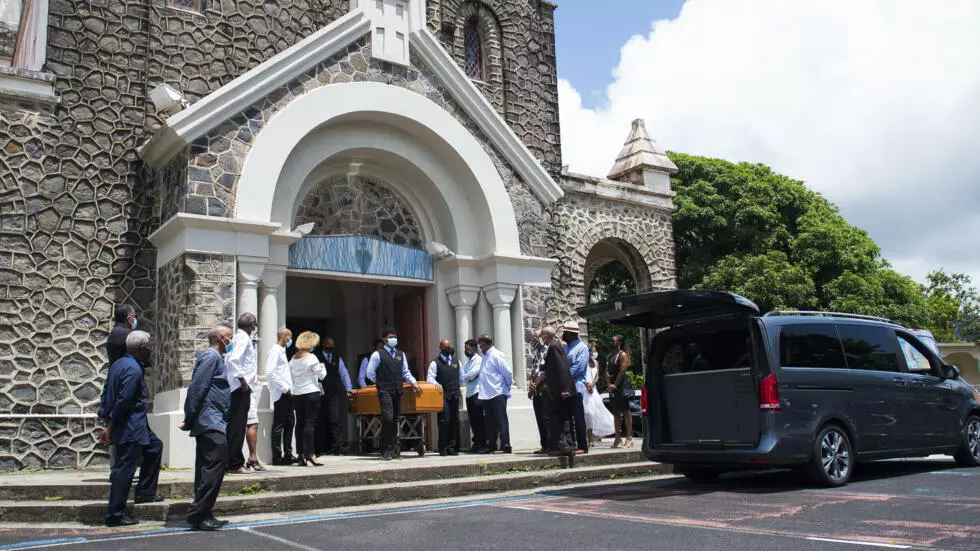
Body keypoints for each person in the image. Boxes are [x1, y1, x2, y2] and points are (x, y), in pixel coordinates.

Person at [98, 330, 163, 527]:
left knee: (154, 447)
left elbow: (106, 392)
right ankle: (115, 513)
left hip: (136, 423)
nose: (151, 350)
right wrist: (110, 427)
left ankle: (145, 493)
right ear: (142, 349)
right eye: (149, 346)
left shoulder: (118, 364)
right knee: (124, 469)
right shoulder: (134, 370)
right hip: (130, 425)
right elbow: (123, 400)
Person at [180, 326, 233, 531]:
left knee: (208, 468)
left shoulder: (216, 358)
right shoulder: (211, 358)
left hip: (214, 420)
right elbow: (198, 387)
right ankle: (198, 514)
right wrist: (190, 416)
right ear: (220, 338)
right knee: (213, 467)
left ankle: (205, 511)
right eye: (229, 337)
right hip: (209, 420)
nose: (231, 341)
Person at [366, 328, 423, 460]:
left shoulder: (400, 354)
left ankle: (393, 447)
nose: (394, 339)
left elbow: (405, 372)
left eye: (395, 337)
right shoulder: (377, 354)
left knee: (395, 419)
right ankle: (386, 448)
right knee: (388, 417)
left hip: (397, 390)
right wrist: (380, 382)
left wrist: (414, 383)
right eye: (391, 337)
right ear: (385, 340)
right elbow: (370, 372)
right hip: (385, 390)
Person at [224, 313, 258, 474]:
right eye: (254, 326)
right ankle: (235, 463)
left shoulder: (238, 338)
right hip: (241, 387)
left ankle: (229, 460)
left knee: (234, 426)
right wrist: (242, 379)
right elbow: (234, 360)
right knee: (238, 426)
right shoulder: (243, 339)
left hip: (236, 386)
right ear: (251, 326)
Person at [533, 326, 575, 456]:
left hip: (557, 390)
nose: (541, 340)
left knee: (553, 417)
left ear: (546, 336)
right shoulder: (554, 346)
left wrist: (565, 388)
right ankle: (563, 446)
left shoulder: (554, 347)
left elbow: (561, 368)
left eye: (542, 337)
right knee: (557, 417)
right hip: (555, 389)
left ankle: (562, 445)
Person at [290, 331, 327, 466]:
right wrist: (322, 367)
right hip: (311, 392)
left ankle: (300, 453)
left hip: (298, 393)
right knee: (310, 423)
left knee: (300, 423)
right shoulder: (311, 357)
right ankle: (310, 453)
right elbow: (322, 375)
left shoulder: (293, 358)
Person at [427, 338, 464, 456]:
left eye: (449, 346)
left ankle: (452, 447)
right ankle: (442, 447)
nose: (448, 349)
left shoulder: (456, 361)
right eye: (445, 347)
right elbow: (430, 378)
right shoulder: (435, 363)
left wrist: (457, 385)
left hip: (454, 394)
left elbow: (461, 377)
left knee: (454, 421)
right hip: (443, 395)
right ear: (441, 348)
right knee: (444, 420)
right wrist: (437, 384)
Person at [476, 334, 512, 454]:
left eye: (480, 345)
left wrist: (506, 387)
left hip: (497, 392)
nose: (480, 347)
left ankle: (506, 444)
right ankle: (492, 444)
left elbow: (507, 373)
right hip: (487, 394)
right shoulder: (485, 356)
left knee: (501, 419)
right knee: (490, 421)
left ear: (485, 344)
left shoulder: (497, 355)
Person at [266, 328, 297, 466]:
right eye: (289, 338)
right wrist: (284, 388)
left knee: (290, 423)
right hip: (281, 393)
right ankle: (277, 456)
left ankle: (288, 454)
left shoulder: (282, 352)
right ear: (284, 337)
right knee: (279, 425)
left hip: (288, 393)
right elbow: (270, 372)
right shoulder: (274, 351)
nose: (290, 341)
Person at [319, 337, 352, 455]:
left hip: (334, 393)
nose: (330, 347)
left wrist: (349, 389)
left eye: (332, 345)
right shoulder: (317, 357)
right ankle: (321, 447)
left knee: (334, 418)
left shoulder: (337, 358)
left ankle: (337, 445)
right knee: (321, 419)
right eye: (328, 344)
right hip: (320, 393)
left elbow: (344, 374)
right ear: (323, 345)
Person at [562, 322, 589, 453]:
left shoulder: (582, 348)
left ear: (571, 334)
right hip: (565, 388)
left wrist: (563, 376)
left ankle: (582, 445)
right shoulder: (565, 348)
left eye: (565, 333)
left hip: (576, 387)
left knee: (578, 417)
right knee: (567, 418)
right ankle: (570, 444)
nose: (563, 335)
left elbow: (578, 368)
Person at [244, 325, 266, 472]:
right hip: (244, 389)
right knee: (251, 423)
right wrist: (242, 381)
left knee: (253, 423)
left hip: (250, 388)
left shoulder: (250, 349)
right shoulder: (242, 343)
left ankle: (251, 457)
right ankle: (251, 457)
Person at [607, 334, 634, 448]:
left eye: (613, 340)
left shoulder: (622, 355)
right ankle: (617, 437)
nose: (611, 342)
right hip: (612, 386)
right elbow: (606, 370)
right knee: (616, 412)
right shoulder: (610, 356)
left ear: (619, 343)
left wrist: (615, 384)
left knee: (626, 411)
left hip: (621, 385)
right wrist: (609, 383)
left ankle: (629, 437)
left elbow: (622, 371)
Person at [584, 344, 615, 444]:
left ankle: (591, 438)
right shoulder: (584, 362)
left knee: (594, 413)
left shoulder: (596, 362)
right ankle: (587, 438)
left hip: (593, 390)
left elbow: (597, 376)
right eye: (592, 351)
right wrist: (587, 385)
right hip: (585, 389)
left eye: (595, 351)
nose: (594, 353)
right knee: (587, 413)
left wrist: (593, 384)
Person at [460, 339, 486, 453]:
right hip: (469, 393)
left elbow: (471, 376)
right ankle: (476, 442)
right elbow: (463, 377)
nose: (466, 350)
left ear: (474, 348)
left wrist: (467, 376)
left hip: (477, 392)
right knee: (473, 420)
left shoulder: (479, 360)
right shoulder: (468, 362)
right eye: (465, 349)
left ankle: (482, 443)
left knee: (479, 419)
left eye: (468, 348)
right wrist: (467, 376)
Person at [526, 331, 550, 454]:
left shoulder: (547, 352)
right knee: (539, 418)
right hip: (536, 390)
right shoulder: (536, 354)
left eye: (535, 338)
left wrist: (537, 383)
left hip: (544, 389)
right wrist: (531, 382)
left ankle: (550, 445)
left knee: (546, 418)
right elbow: (534, 370)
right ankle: (544, 445)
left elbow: (545, 371)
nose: (533, 341)